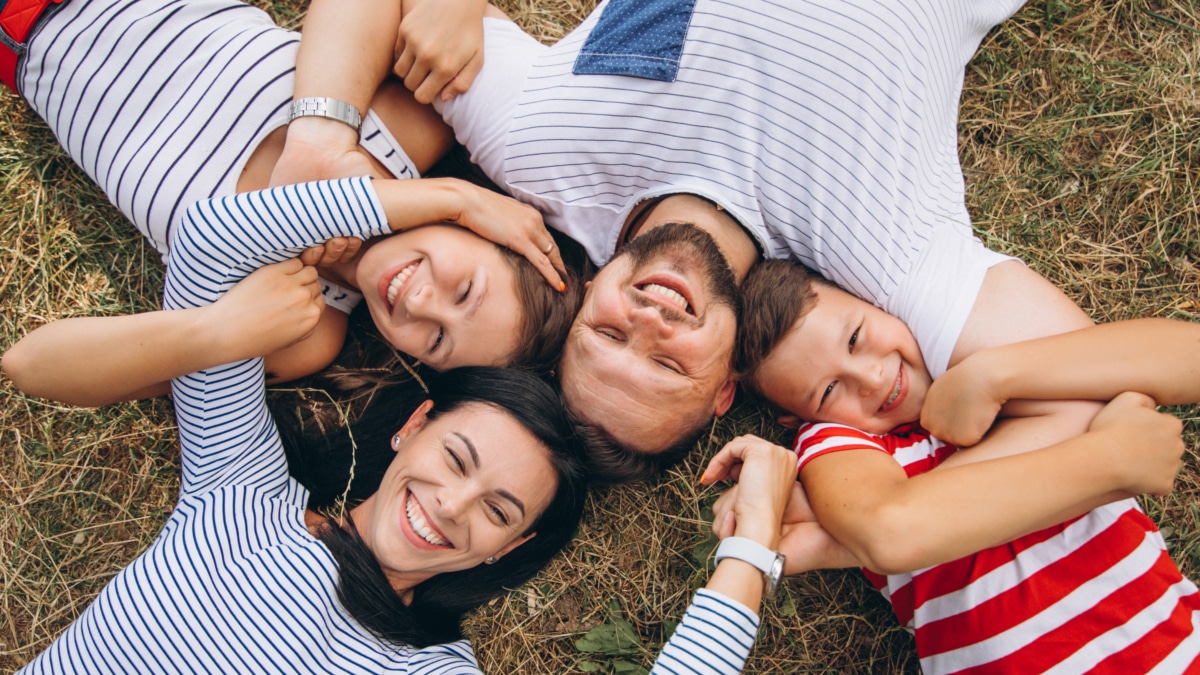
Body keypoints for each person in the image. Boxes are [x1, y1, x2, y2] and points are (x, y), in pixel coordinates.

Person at [273, 0, 1106, 483]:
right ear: (725, 384)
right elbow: (1089, 390)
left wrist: (317, 137)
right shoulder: (886, 264)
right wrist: (886, 516)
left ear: (580, 291)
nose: (650, 321)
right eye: (669, 362)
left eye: (607, 335)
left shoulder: (544, 155)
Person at [12, 176, 803, 673]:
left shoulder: (424, 667)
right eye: (456, 458)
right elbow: (215, 237)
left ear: (511, 547)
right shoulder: (242, 493)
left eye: (498, 510)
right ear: (413, 424)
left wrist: (749, 548)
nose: (453, 507)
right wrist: (449, 199)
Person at [5, 0, 582, 400]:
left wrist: (216, 331)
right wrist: (444, 192)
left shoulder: (305, 326)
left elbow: (32, 366)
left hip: (18, 46)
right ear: (484, 227)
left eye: (436, 341)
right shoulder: (413, 125)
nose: (422, 304)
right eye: (465, 290)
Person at [719, 258, 1200, 672]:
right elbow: (886, 524)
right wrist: (1110, 456)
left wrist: (991, 376)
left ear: (880, 303)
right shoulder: (837, 439)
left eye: (856, 338)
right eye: (827, 391)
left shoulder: (1000, 357)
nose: (872, 377)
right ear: (797, 417)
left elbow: (1183, 359)